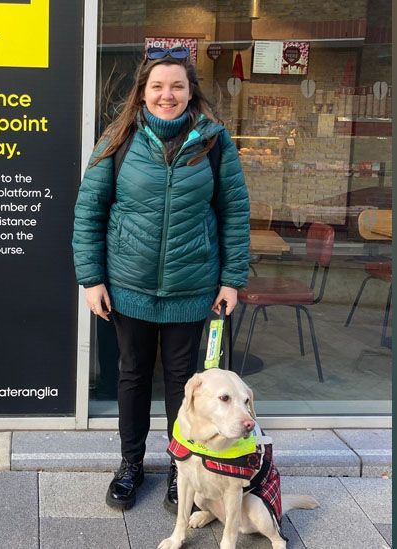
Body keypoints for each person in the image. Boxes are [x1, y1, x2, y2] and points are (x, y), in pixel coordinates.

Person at [72, 46, 251, 512]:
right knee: (130, 376)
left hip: (192, 290)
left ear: (191, 90)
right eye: (157, 86)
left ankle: (181, 469)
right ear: (143, 92)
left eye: (177, 85)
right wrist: (92, 278)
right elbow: (89, 209)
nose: (166, 94)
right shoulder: (119, 138)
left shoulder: (215, 142)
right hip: (128, 287)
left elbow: (234, 212)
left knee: (182, 384)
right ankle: (130, 465)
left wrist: (231, 278)